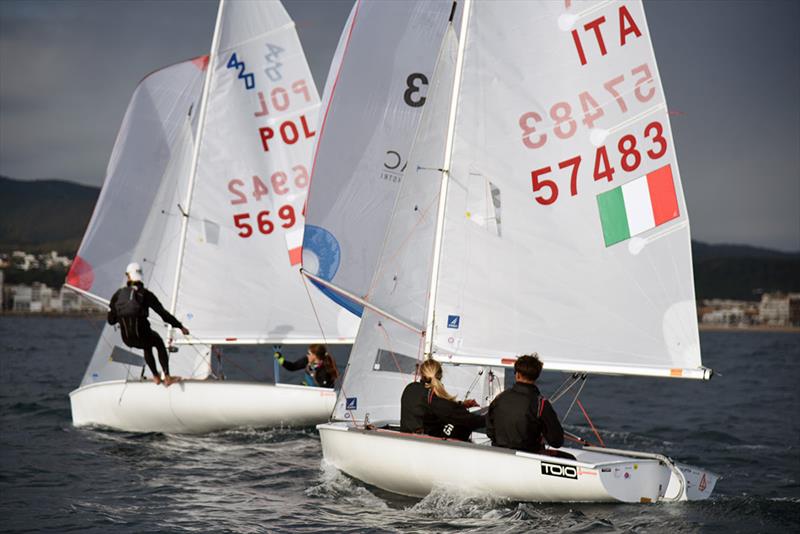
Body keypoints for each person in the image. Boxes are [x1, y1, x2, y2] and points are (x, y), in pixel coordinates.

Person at [107, 262, 189, 386]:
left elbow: (111, 321)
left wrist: (122, 316)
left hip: (127, 339)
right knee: (158, 342)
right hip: (143, 336)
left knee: (147, 345)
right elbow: (164, 315)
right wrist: (180, 326)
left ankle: (156, 376)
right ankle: (166, 377)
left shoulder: (118, 295)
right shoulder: (146, 294)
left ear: (128, 276)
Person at [486, 353, 565, 455]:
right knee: (570, 458)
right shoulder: (541, 404)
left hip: (499, 455)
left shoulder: (499, 398)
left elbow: (490, 431)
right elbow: (556, 441)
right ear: (536, 376)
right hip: (528, 458)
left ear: (517, 374)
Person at [400, 359, 484, 441]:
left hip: (406, 440)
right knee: (461, 423)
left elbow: (429, 405)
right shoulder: (434, 399)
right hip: (425, 445)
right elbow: (458, 415)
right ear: (440, 376)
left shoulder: (410, 388)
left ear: (421, 373)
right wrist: (487, 419)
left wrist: (461, 404)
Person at [273, 344, 338, 388]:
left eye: (309, 354)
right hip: (309, 390)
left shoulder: (324, 371)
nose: (307, 355)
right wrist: (280, 358)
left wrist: (308, 387)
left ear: (315, 356)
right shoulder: (307, 360)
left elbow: (324, 390)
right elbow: (292, 367)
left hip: (320, 395)